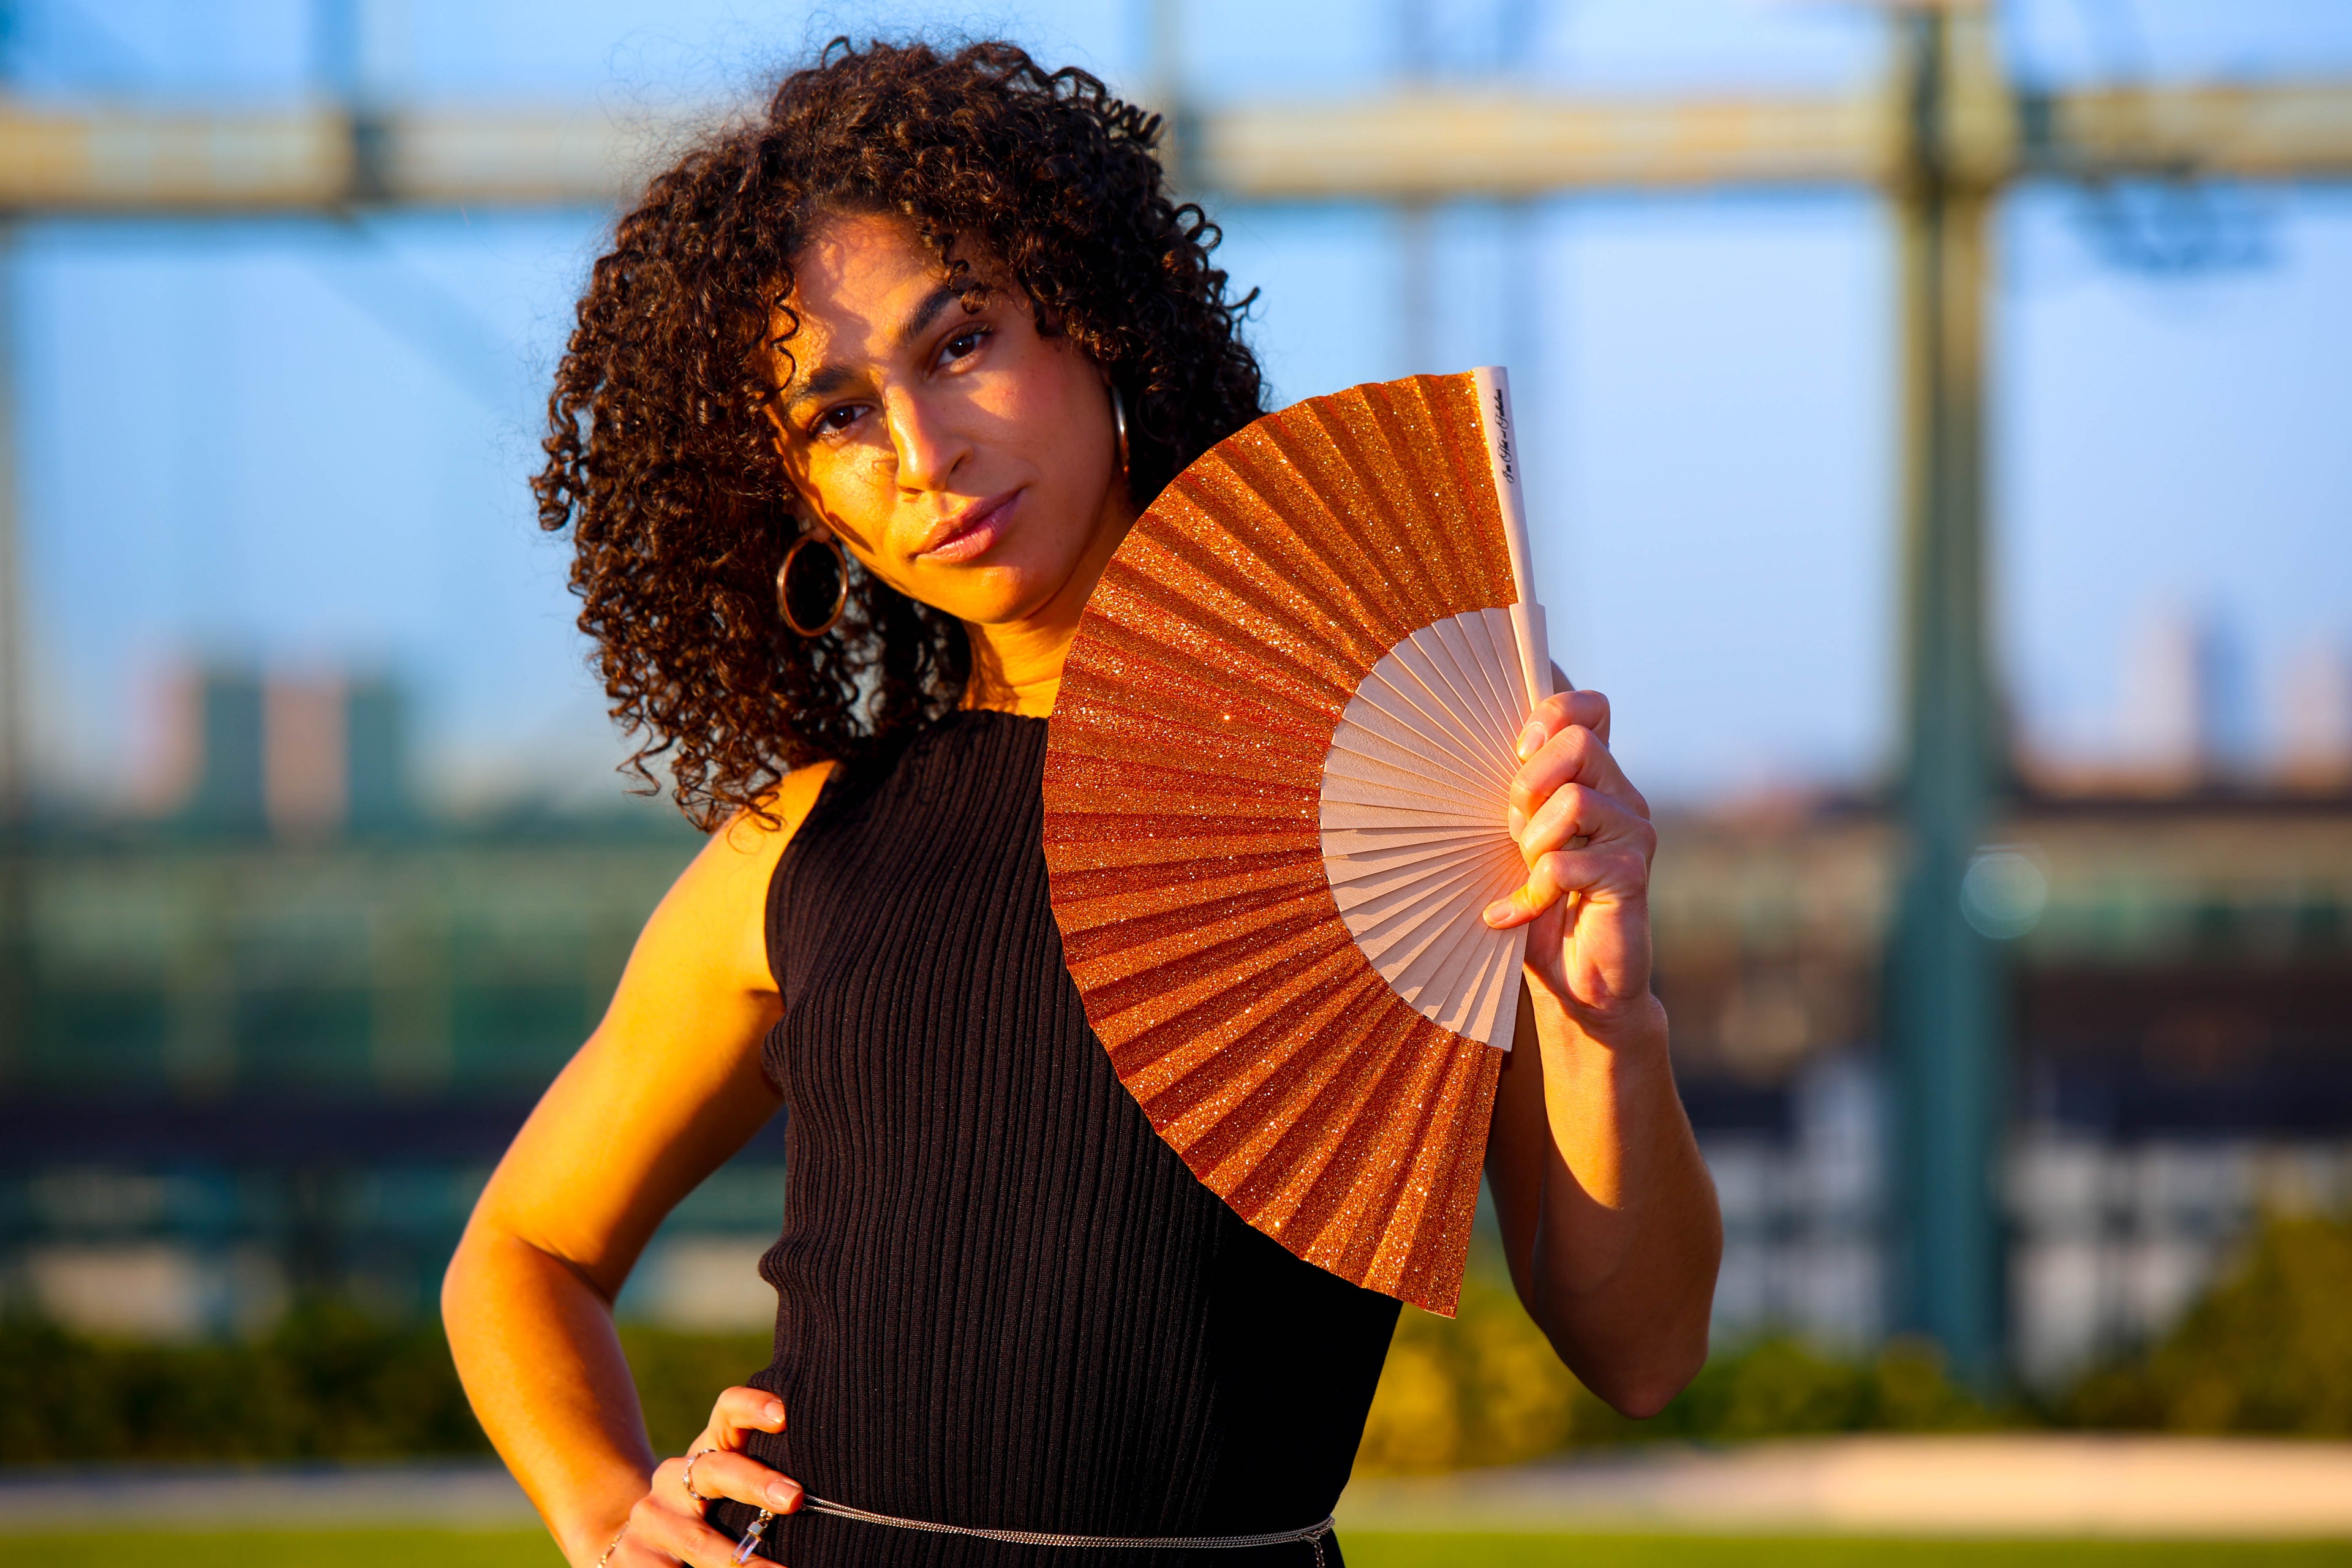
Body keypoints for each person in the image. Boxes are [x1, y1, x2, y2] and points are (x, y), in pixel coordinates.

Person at [442, 37, 1722, 1568]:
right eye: (839, 414)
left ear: (1098, 316)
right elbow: (519, 1250)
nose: (926, 453)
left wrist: (1603, 1019)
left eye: (962, 340)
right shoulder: (801, 847)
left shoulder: (1416, 773)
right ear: (797, 498)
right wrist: (602, 1501)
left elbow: (1640, 1350)